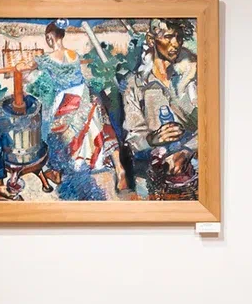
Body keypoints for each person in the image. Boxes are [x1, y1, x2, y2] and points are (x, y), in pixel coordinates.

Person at [17, 19, 127, 199]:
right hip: (87, 95)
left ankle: (61, 169)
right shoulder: (74, 54)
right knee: (102, 127)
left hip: (69, 99)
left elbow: (23, 68)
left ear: (50, 37)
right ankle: (119, 168)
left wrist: (19, 67)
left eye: (47, 38)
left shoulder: (46, 59)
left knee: (49, 130)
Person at [121, 18, 200, 198]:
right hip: (154, 171)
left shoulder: (192, 77)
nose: (175, 44)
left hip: (193, 165)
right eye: (168, 37)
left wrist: (186, 151)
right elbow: (133, 138)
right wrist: (152, 139)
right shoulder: (135, 85)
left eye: (179, 37)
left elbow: (211, 124)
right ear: (151, 40)